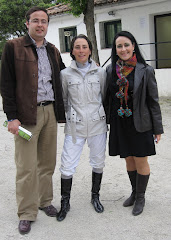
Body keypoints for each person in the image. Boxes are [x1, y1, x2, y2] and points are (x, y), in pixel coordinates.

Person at [0, 6, 65, 234]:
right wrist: (11, 117)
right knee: (26, 166)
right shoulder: (13, 47)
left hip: (50, 113)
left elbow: (63, 78)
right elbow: (6, 85)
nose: (40, 24)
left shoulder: (53, 51)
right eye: (35, 20)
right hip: (27, 116)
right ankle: (27, 212)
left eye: (44, 21)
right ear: (27, 23)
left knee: (47, 163)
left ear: (47, 25)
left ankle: (45, 201)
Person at [104, 31, 163, 216]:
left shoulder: (145, 70)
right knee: (128, 159)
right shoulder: (110, 70)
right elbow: (108, 98)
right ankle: (134, 191)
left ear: (134, 46)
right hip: (120, 122)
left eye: (126, 45)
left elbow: (153, 101)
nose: (123, 49)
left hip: (141, 122)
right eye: (119, 46)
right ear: (115, 49)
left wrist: (157, 128)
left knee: (140, 159)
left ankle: (141, 197)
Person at [56, 34, 107, 222]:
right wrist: (68, 119)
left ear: (90, 50)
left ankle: (95, 196)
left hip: (97, 124)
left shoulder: (101, 72)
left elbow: (104, 95)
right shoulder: (65, 74)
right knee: (67, 165)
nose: (81, 50)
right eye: (77, 47)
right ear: (72, 51)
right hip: (75, 126)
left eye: (84, 47)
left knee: (98, 162)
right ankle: (65, 202)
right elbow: (63, 99)